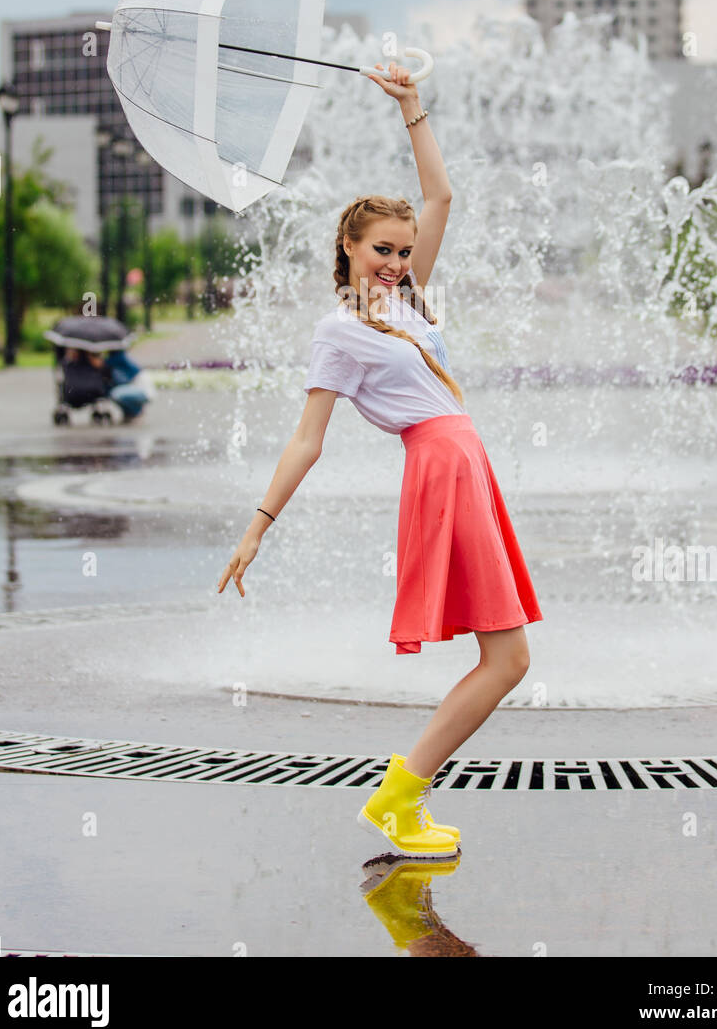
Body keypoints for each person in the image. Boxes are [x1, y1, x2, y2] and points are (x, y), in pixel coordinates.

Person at [217, 61, 543, 860]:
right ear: (348, 246)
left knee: (507, 656)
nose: (395, 262)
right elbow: (308, 437)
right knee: (507, 659)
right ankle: (399, 801)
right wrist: (258, 526)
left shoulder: (408, 301)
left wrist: (412, 108)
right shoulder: (340, 333)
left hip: (465, 463)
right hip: (440, 466)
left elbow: (441, 199)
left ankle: (402, 800)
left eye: (401, 251)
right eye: (381, 251)